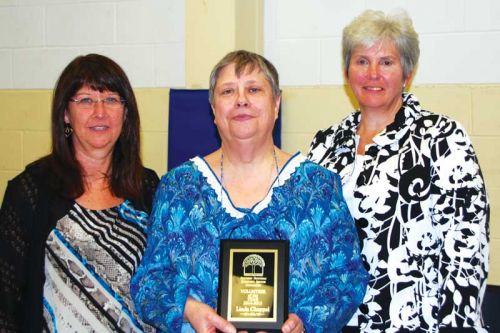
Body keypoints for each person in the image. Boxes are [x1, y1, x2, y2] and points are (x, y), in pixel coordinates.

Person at [131, 50, 368, 333]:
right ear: (213, 108)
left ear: (276, 103)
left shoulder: (318, 186)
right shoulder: (178, 189)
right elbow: (149, 282)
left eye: (254, 90)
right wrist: (189, 310)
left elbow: (347, 277)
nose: (241, 100)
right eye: (228, 91)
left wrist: (304, 321)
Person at [308, 9, 490, 333]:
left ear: (407, 72)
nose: (372, 73)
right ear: (347, 71)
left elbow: (467, 244)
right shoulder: (324, 146)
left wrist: (457, 325)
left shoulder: (442, 139)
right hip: (334, 322)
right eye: (362, 61)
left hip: (414, 322)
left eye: (386, 62)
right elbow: (307, 237)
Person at [0, 54, 159, 332]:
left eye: (111, 99)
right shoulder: (30, 190)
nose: (100, 112)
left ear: (125, 112)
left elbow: (161, 281)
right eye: (85, 100)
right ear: (65, 113)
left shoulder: (147, 186)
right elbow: (5, 299)